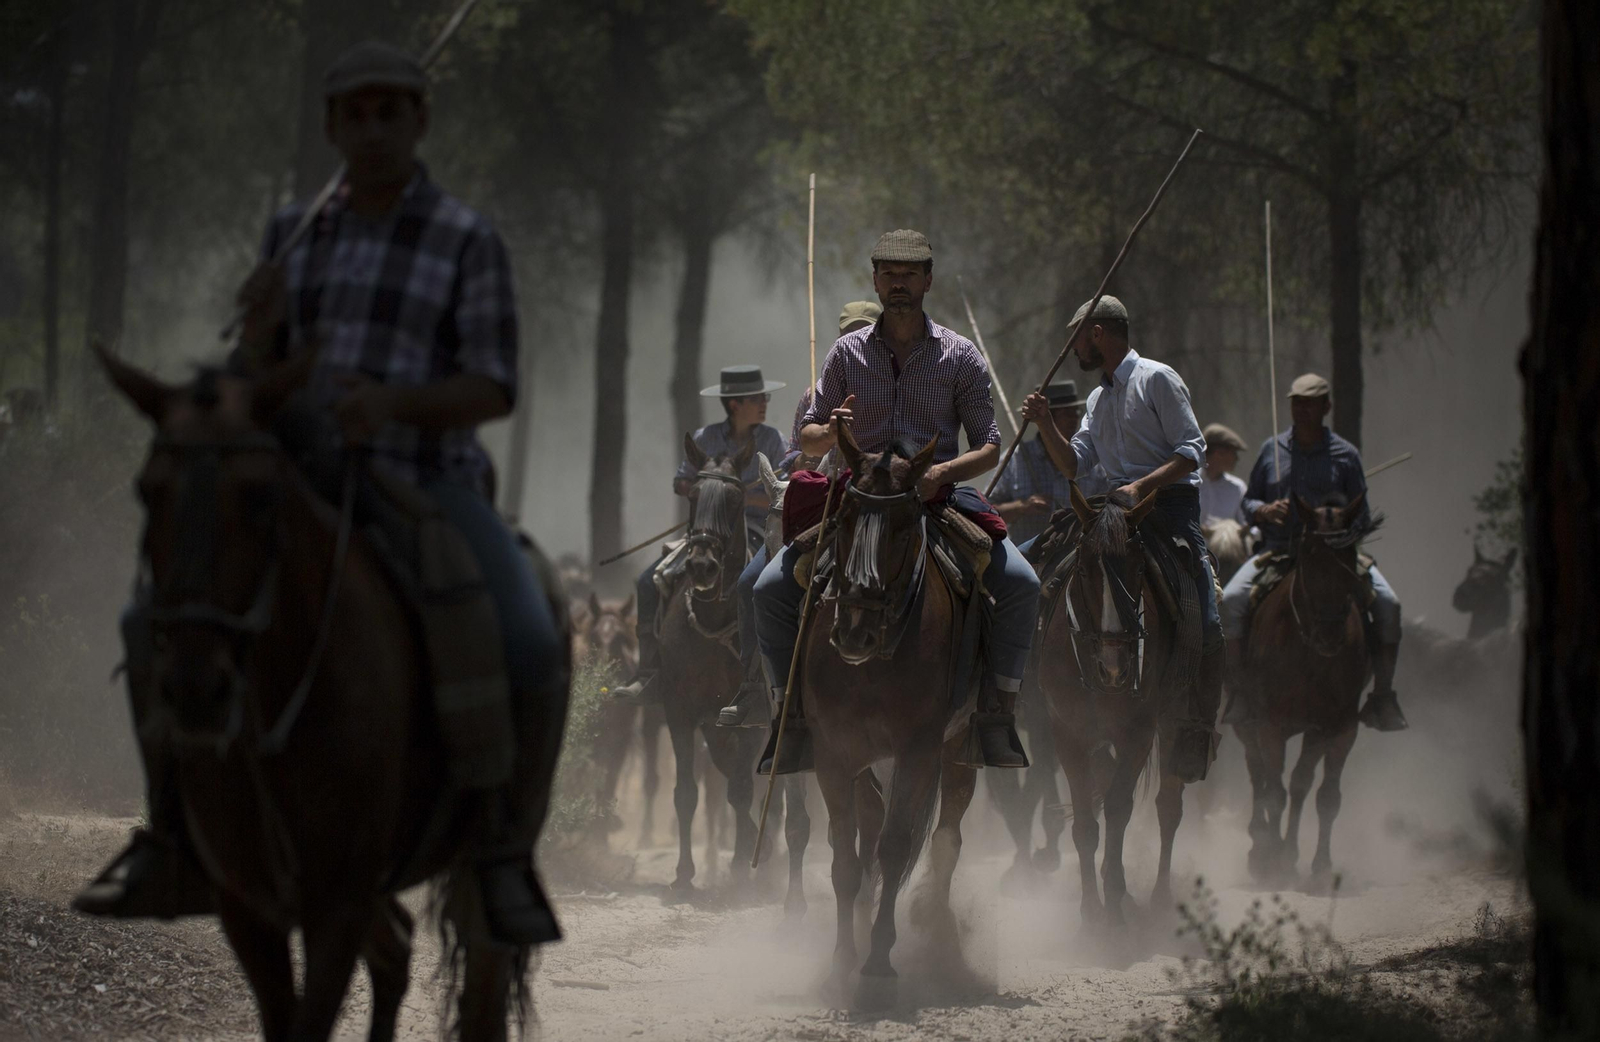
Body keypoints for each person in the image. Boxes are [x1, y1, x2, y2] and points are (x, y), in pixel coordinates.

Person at [74, 42, 570, 944]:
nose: (373, 129)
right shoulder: (294, 233)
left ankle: (500, 852)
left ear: (420, 121)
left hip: (427, 479)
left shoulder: (466, 237)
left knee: (528, 635)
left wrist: (391, 406)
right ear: (333, 126)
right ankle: (175, 835)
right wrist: (259, 338)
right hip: (298, 473)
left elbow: (495, 387)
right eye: (356, 113)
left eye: (392, 111)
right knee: (151, 619)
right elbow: (257, 380)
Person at [753, 229, 1040, 773]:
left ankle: (996, 712)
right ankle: (787, 718)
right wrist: (827, 430)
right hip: (857, 503)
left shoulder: (960, 355)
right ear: (876, 281)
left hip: (934, 501)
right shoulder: (846, 353)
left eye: (909, 275)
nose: (899, 284)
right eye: (888, 274)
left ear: (928, 280)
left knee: (1022, 583)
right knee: (767, 590)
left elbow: (989, 446)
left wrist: (942, 473)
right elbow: (807, 439)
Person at [1019, 295, 1224, 783]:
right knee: (1026, 575)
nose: (1073, 351)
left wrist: (1142, 486)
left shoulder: (1157, 378)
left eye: (1076, 338)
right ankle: (1023, 699)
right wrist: (1045, 423)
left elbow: (1192, 451)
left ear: (1096, 333)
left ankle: (1195, 725)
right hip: (1111, 514)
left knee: (1210, 619)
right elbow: (1074, 465)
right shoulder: (1096, 398)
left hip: (1168, 514)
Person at [1218, 373, 1407, 731]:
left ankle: (1382, 696)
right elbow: (1248, 502)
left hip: (1334, 558)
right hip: (1278, 551)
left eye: (1310, 403)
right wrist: (1264, 511)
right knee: (1230, 600)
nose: (1302, 409)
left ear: (1326, 407)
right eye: (1297, 402)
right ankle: (1240, 693)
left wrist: (1332, 522)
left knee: (1389, 605)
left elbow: (1362, 515)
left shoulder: (1345, 456)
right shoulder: (1271, 451)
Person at [609, 366, 786, 709]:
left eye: (764, 396)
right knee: (649, 581)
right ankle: (647, 672)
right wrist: (706, 492)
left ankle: (765, 675)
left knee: (765, 586)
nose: (764, 402)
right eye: (757, 398)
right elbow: (680, 481)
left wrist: (736, 496)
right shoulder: (705, 438)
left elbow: (782, 489)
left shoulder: (772, 441)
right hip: (706, 530)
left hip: (754, 529)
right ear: (735, 405)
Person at [782, 300, 882, 474]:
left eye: (866, 333)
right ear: (839, 339)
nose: (856, 340)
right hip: (826, 491)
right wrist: (803, 460)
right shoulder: (813, 394)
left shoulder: (892, 387)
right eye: (850, 333)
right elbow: (794, 453)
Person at [990, 379, 1086, 548]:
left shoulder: (1088, 460)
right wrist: (1022, 507)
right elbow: (986, 512)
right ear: (1048, 417)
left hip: (1076, 563)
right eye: (1067, 413)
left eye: (1076, 412)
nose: (1075, 418)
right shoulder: (1015, 459)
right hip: (1028, 558)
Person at [1199, 423, 1250, 525]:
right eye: (1234, 453)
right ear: (1219, 454)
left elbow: (1246, 525)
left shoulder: (1237, 488)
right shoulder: (1189, 482)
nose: (1237, 459)